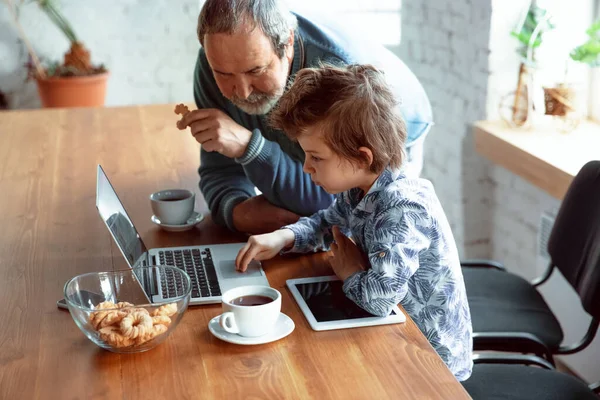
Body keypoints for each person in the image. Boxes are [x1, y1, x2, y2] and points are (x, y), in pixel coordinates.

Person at [235, 64, 472, 381]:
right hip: (393, 331)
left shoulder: (401, 208)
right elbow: (326, 223)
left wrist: (348, 271)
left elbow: (381, 298)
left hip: (430, 361)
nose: (307, 168)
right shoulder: (360, 190)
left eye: (316, 157)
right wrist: (283, 237)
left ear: (362, 157)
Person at [177, 0, 433, 235]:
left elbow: (329, 201)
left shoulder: (336, 80)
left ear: (288, 44)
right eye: (223, 74)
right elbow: (220, 167)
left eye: (256, 70)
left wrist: (249, 148)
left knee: (372, 234)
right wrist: (236, 210)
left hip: (397, 125)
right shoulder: (217, 63)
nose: (241, 92)